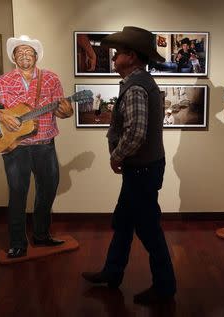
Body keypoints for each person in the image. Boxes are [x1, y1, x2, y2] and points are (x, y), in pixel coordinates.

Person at [81, 26, 176, 305]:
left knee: (148, 228)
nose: (113, 59)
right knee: (124, 222)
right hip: (145, 167)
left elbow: (136, 132)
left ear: (131, 57)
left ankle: (165, 286)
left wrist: (116, 155)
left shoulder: (136, 86)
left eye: (118, 54)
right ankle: (112, 272)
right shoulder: (141, 81)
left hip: (142, 170)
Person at [0, 35, 74, 258]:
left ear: (36, 56)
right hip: (15, 147)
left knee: (47, 191)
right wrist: (1, 116)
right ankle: (18, 242)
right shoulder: (2, 81)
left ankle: (41, 235)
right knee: (18, 194)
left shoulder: (51, 79)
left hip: (45, 144)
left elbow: (63, 110)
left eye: (29, 52)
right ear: (13, 57)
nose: (24, 55)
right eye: (19, 52)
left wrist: (67, 111)